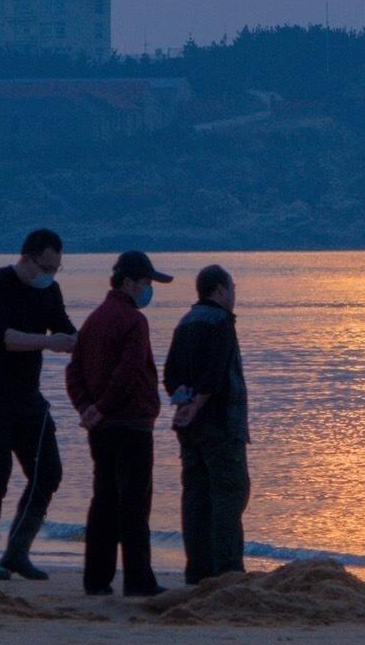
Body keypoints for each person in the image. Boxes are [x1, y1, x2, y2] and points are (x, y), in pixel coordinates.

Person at [0, 228, 76, 580]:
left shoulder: (50, 292)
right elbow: (3, 338)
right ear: (27, 259)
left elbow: (66, 332)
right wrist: (49, 343)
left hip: (28, 397)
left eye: (56, 270)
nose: (50, 276)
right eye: (45, 268)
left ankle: (17, 550)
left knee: (48, 473)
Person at [66, 250, 173, 597]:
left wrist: (87, 408)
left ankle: (96, 578)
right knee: (134, 503)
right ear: (128, 282)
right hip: (130, 423)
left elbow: (74, 371)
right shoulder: (133, 321)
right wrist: (101, 407)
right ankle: (138, 579)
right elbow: (129, 370)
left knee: (104, 501)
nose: (148, 290)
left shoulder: (94, 319)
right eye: (145, 283)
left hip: (103, 427)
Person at [164, 264, 251, 582]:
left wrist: (183, 403)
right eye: (232, 287)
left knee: (196, 494)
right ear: (219, 290)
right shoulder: (221, 322)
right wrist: (198, 402)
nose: (234, 294)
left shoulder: (185, 322)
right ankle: (228, 569)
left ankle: (197, 570)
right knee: (231, 492)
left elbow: (170, 373)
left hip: (189, 426)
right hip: (221, 423)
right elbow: (215, 373)